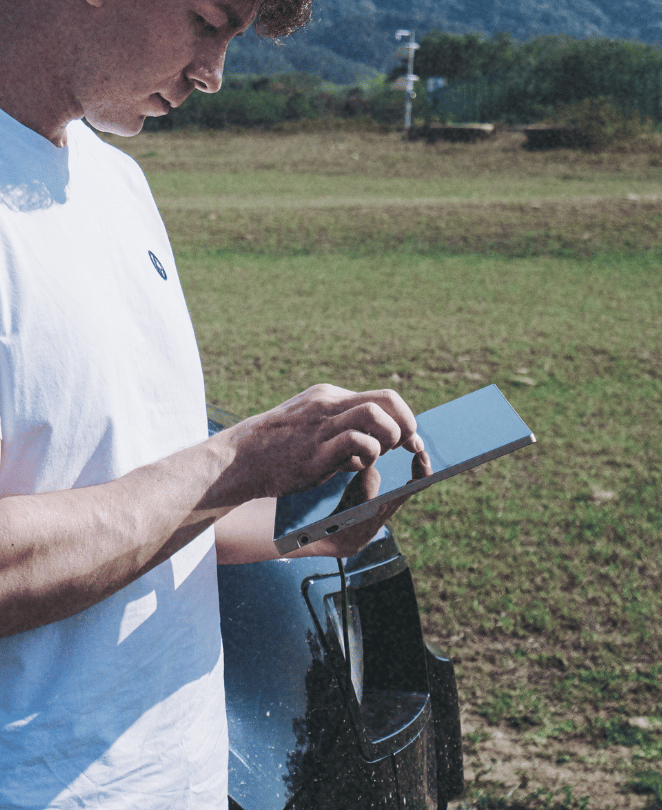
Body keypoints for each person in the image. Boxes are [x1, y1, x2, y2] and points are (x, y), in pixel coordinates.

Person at [0, 0, 426, 806]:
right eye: (207, 21)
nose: (214, 75)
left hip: (182, 777)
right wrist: (234, 461)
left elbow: (129, 491)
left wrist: (295, 530)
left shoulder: (117, 183)